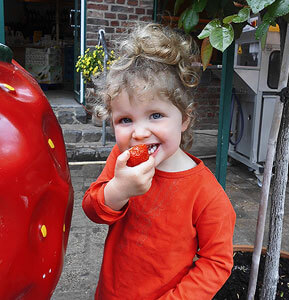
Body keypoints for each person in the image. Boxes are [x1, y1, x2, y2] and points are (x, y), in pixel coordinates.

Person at [82, 22, 236, 300]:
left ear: (185, 118)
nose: (139, 133)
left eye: (155, 115)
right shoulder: (121, 160)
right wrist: (119, 189)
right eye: (125, 120)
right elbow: (93, 211)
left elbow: (217, 262)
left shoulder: (207, 194)